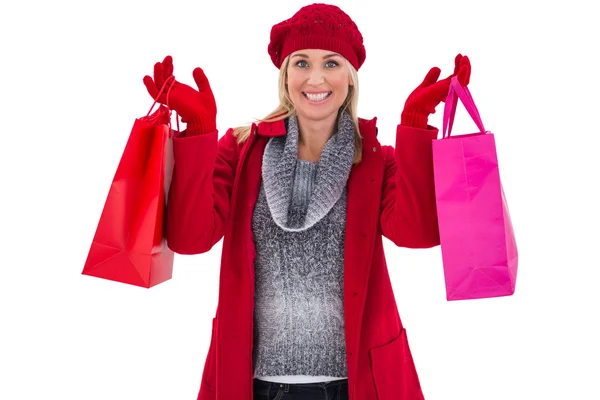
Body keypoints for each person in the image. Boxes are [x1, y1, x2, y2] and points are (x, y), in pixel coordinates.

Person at [143, 3, 470, 400]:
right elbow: (191, 240)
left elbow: (415, 234)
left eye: (331, 63)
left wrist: (416, 123)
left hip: (356, 383)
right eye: (301, 63)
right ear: (285, 75)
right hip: (258, 385)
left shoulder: (375, 159)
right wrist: (198, 133)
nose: (315, 77)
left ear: (351, 77)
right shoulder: (243, 151)